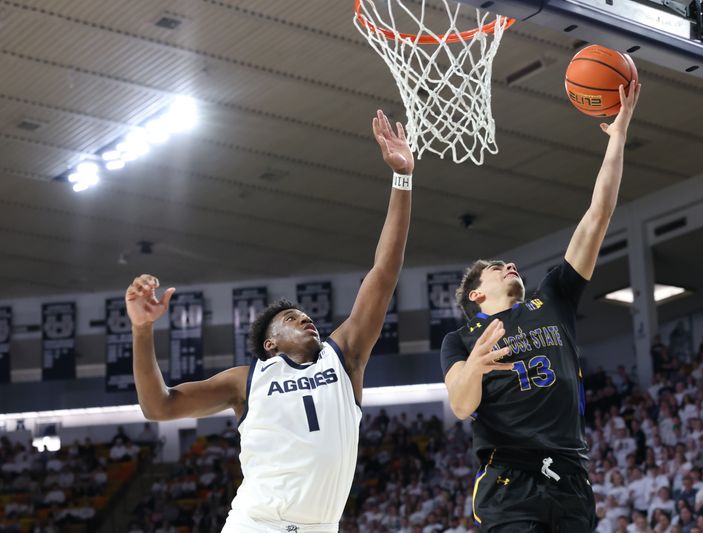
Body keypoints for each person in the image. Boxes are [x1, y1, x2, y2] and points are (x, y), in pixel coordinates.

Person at [126, 110, 414, 533]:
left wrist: (403, 179)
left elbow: (384, 273)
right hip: (256, 524)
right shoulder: (247, 380)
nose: (308, 320)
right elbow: (159, 406)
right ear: (270, 344)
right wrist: (142, 330)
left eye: (307, 316)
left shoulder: (344, 356)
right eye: (293, 319)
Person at [440, 81, 641, 532]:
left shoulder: (552, 296)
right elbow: (459, 403)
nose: (510, 264)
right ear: (476, 294)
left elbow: (598, 215)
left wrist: (619, 137)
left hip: (571, 475)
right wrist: (475, 367)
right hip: (511, 478)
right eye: (497, 267)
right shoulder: (461, 340)